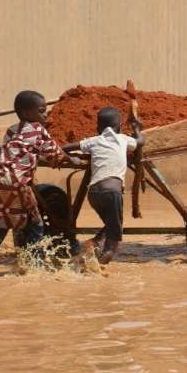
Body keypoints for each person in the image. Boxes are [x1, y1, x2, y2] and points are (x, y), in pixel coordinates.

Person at [0, 91, 79, 278]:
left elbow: (8, 151)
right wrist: (71, 160)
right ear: (27, 113)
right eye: (42, 111)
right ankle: (34, 267)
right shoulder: (39, 130)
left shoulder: (11, 130)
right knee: (36, 226)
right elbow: (56, 155)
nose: (46, 115)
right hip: (19, 184)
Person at [63, 107, 145, 264]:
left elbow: (67, 147)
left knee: (111, 225)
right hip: (112, 193)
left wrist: (66, 157)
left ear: (98, 128)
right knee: (112, 244)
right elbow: (141, 142)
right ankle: (97, 266)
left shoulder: (93, 141)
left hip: (93, 193)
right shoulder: (122, 139)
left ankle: (94, 243)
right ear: (120, 126)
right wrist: (136, 128)